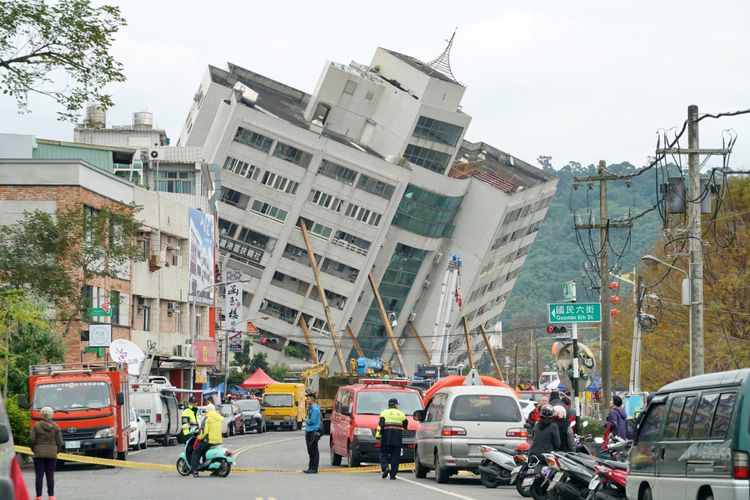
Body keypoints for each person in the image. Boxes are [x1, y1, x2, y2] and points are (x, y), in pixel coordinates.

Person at [29, 406, 62, 500]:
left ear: (41, 415)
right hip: (52, 453)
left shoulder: (36, 426)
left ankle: (38, 496)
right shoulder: (56, 427)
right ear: (51, 415)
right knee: (50, 475)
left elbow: (31, 439)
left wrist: (34, 449)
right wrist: (57, 450)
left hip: (38, 454)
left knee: (39, 475)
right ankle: (51, 495)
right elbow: (60, 441)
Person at [376, 398, 408, 480]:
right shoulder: (401, 414)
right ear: (396, 405)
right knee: (395, 457)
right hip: (397, 438)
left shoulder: (383, 413)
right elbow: (406, 426)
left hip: (386, 438)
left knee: (383, 454)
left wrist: (378, 436)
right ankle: (393, 475)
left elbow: (381, 425)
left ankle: (385, 468)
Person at [189, 403, 222, 477]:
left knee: (196, 453)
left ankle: (194, 471)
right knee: (206, 453)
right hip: (218, 440)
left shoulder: (207, 418)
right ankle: (215, 471)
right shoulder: (219, 417)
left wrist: (199, 437)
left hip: (208, 440)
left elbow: (204, 432)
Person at [303, 392, 321, 474]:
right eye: (307, 398)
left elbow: (312, 421)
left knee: (313, 450)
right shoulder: (311, 408)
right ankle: (311, 467)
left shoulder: (314, 409)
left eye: (308, 398)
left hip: (313, 431)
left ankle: (314, 468)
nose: (307, 400)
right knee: (310, 450)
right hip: (310, 430)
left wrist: (306, 420)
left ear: (313, 399)